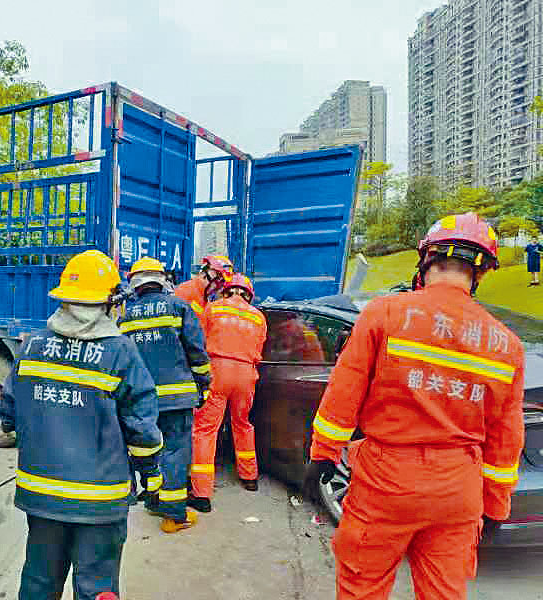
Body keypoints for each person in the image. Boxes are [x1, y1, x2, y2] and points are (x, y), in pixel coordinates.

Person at [304, 212, 525, 600]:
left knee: (363, 585)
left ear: (426, 260)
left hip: (386, 481)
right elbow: (506, 442)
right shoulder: (507, 345)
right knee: (444, 592)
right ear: (481, 273)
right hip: (459, 491)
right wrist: (495, 506)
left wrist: (321, 457)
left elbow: (342, 396)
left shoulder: (384, 313)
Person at [0, 249, 163, 600]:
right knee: (96, 589)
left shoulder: (32, 346)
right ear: (108, 303)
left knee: (39, 583)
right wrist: (152, 474)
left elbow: (8, 414)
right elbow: (142, 428)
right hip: (100, 502)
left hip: (41, 496)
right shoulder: (120, 352)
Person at [118, 257, 211, 533]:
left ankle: (153, 498)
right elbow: (197, 352)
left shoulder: (126, 317)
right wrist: (203, 385)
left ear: (135, 283)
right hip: (177, 399)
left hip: (140, 401)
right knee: (174, 452)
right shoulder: (180, 307)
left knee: (148, 450)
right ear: (162, 280)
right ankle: (174, 514)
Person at [189, 273, 267, 512]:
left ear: (226, 291)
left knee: (205, 430)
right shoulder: (258, 317)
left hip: (218, 371)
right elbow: (260, 345)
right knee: (242, 423)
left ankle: (202, 494)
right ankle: (250, 478)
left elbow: (198, 341)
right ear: (249, 295)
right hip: (246, 374)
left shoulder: (213, 309)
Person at [174, 255, 234, 319]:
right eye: (219, 278)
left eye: (222, 281)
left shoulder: (203, 295)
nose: (219, 285)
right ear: (208, 272)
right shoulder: (186, 291)